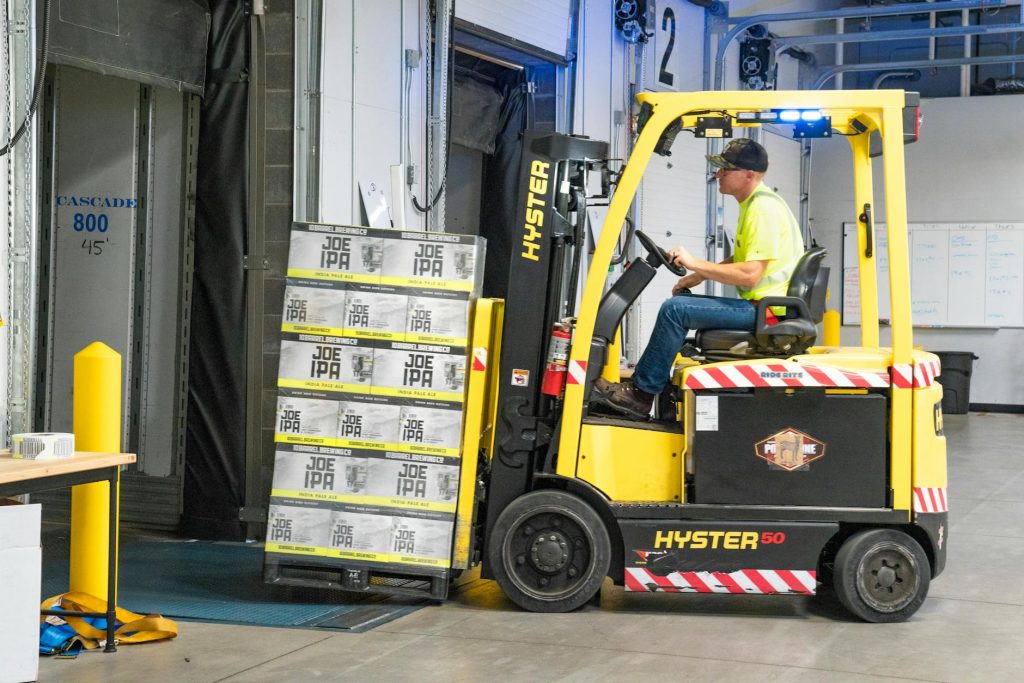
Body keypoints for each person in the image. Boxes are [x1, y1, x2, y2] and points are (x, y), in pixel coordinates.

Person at [595, 138, 804, 418]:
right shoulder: (755, 204)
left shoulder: (762, 210)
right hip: (763, 307)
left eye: (725, 169)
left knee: (675, 310)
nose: (717, 174)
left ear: (748, 175)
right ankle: (646, 387)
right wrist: (696, 275)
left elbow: (750, 274)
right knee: (681, 304)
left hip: (767, 312)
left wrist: (695, 262)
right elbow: (744, 258)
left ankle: (641, 395)